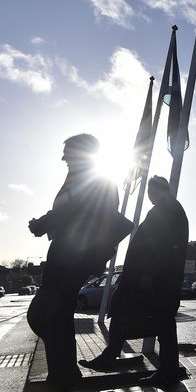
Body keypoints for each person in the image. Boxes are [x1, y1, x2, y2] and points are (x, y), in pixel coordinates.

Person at [27, 134, 131, 391]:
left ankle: (64, 373)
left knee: (45, 315)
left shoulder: (90, 179)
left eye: (68, 153)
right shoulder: (94, 179)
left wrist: (43, 224)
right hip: (73, 258)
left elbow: (71, 213)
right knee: (57, 316)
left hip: (70, 258)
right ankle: (64, 373)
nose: (64, 159)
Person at [80, 176, 189, 387]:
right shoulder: (168, 208)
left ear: (156, 190)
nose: (148, 196)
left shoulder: (166, 209)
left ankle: (117, 358)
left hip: (153, 279)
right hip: (155, 278)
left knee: (142, 315)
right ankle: (163, 367)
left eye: (149, 192)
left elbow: (159, 245)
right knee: (158, 320)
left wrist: (147, 276)